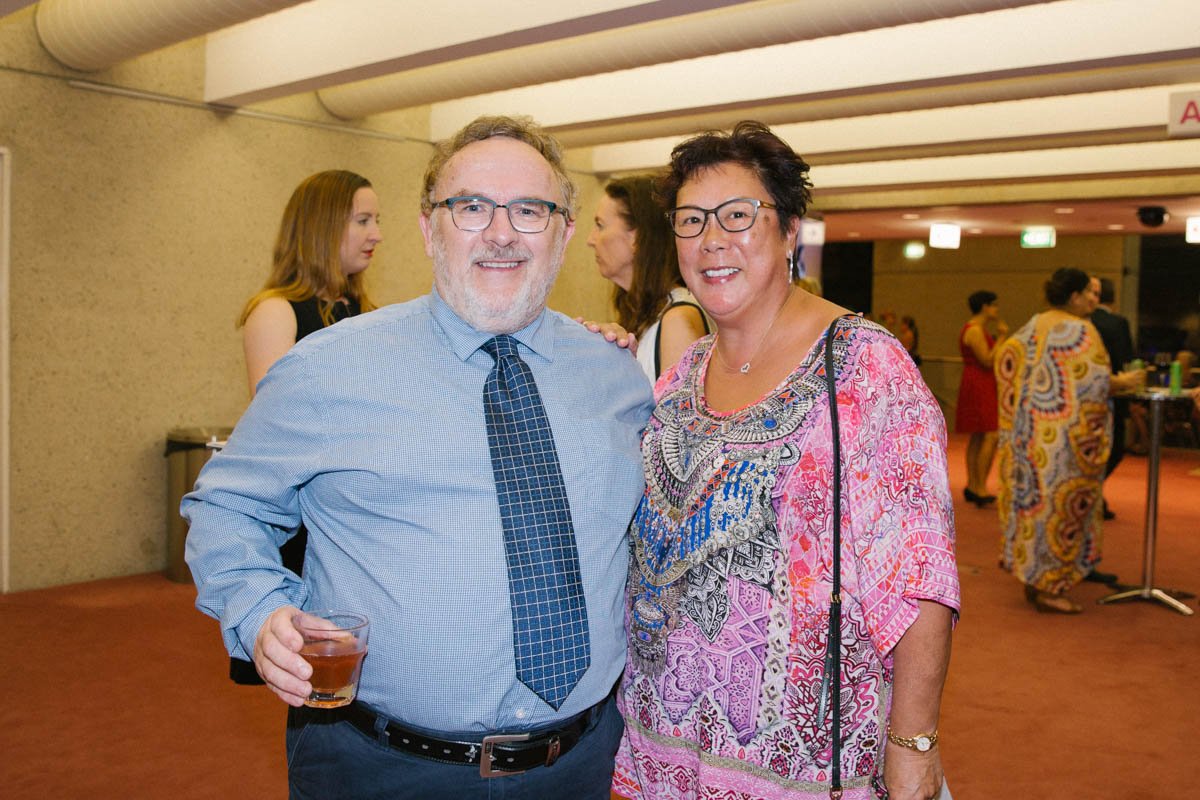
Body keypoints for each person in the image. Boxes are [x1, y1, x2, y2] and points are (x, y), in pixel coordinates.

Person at [183, 115, 654, 800]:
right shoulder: (327, 369)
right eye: (471, 207)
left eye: (529, 209)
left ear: (563, 233)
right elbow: (227, 505)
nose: (500, 232)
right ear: (430, 230)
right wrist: (258, 611)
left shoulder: (615, 377)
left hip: (581, 764)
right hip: (380, 768)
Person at [613, 121, 960, 800]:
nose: (713, 239)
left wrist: (914, 745)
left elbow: (921, 578)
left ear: (790, 229)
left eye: (739, 215)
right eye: (691, 220)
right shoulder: (680, 378)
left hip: (805, 767)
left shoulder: (862, 366)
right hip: (661, 750)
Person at [994, 268, 1144, 614]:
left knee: (1035, 507)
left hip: (1030, 436)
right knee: (1060, 512)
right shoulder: (1081, 330)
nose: (1094, 299)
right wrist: (1125, 382)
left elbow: (1006, 360)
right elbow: (1095, 384)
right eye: (1088, 294)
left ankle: (1034, 580)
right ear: (1073, 296)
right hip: (1063, 442)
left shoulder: (1035, 323)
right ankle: (1051, 587)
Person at [240, 169, 381, 398]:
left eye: (377, 221)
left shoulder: (364, 309)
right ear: (324, 227)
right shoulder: (275, 313)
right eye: (363, 221)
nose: (377, 234)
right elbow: (277, 416)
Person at [587, 174, 708, 381]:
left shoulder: (678, 320)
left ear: (637, 237)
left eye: (600, 225)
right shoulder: (643, 315)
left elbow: (678, 412)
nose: (591, 240)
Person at [955, 291, 1008, 507]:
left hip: (977, 381)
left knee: (978, 435)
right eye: (994, 305)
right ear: (985, 307)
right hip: (979, 381)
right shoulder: (975, 330)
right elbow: (986, 359)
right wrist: (1002, 337)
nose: (996, 309)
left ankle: (973, 485)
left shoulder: (974, 328)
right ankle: (979, 486)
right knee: (990, 434)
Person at [1089, 277, 1135, 521]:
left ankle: (1094, 493)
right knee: (1115, 446)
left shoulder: (1081, 323)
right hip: (1113, 393)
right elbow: (1125, 357)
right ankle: (1095, 493)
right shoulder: (1117, 323)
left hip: (1084, 399)